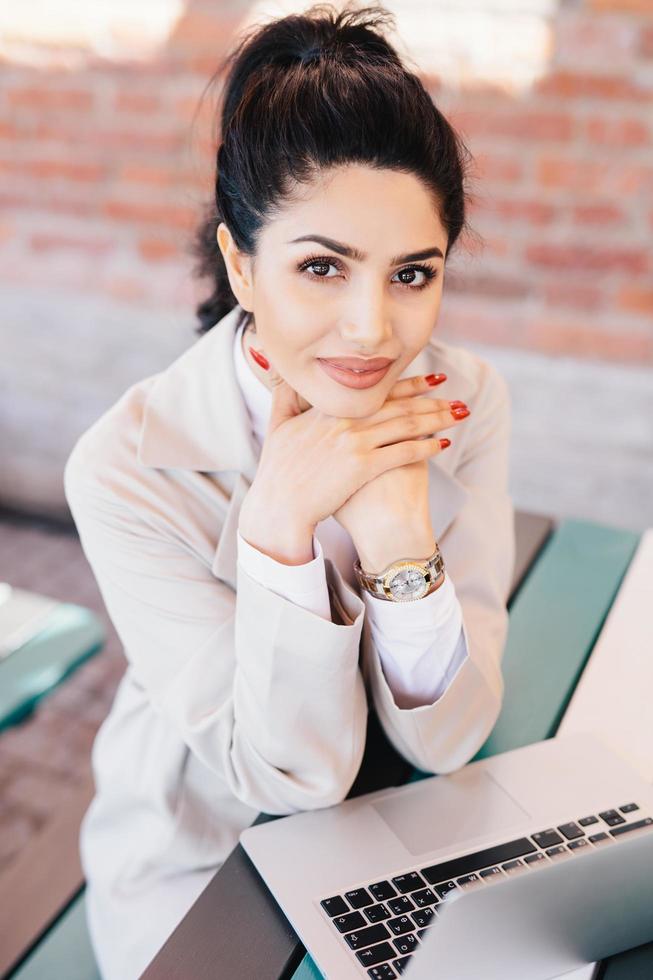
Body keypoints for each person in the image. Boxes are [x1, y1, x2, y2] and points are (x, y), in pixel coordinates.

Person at [63, 4, 516, 977]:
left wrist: (397, 537)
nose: (371, 328)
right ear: (241, 263)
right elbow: (288, 774)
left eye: (410, 273)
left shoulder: (464, 398)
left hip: (400, 834)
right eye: (321, 267)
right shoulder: (126, 466)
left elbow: (450, 731)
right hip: (200, 865)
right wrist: (278, 525)